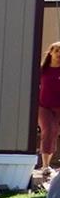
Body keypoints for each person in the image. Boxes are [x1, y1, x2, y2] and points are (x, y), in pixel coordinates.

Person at [40, 42, 60, 176]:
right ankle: (45, 165)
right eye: (57, 51)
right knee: (48, 130)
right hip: (44, 106)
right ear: (51, 52)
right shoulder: (42, 70)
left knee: (54, 133)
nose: (59, 54)